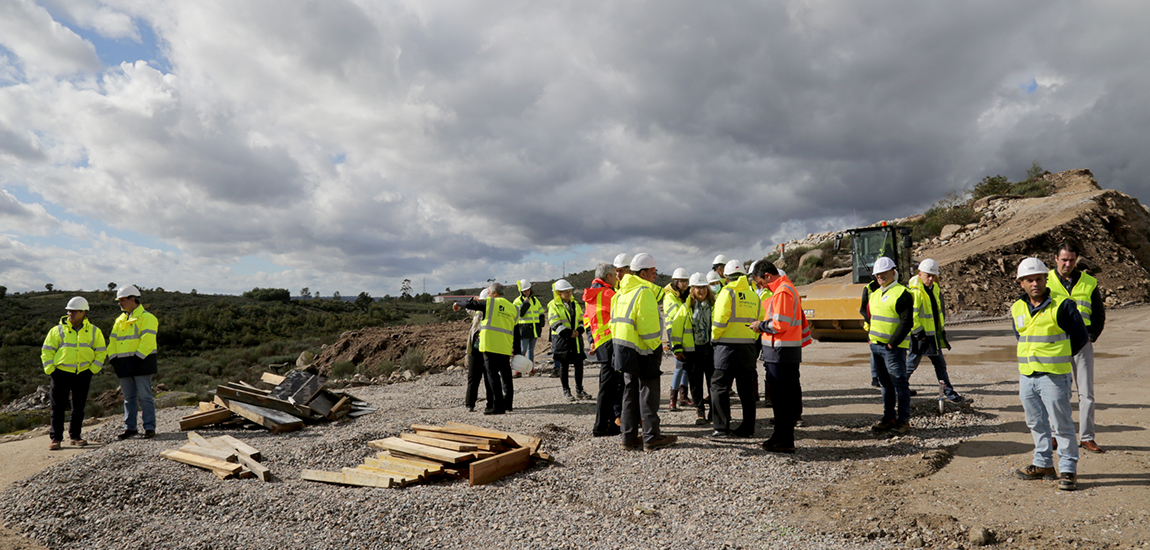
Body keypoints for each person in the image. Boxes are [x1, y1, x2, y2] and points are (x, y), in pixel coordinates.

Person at [1011, 257, 1088, 491]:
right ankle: (1043, 464)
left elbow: (1080, 337)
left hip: (1054, 375)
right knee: (1035, 422)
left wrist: (1059, 356)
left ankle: (1068, 470)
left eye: (1038, 278)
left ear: (1046, 279)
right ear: (1021, 283)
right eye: (1028, 280)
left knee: (1061, 424)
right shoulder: (1017, 307)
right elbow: (1021, 337)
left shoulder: (1063, 305)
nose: (1034, 283)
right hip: (1027, 375)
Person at [611, 253, 677, 451]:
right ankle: (651, 437)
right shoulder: (643, 292)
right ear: (643, 273)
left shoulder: (621, 292)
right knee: (648, 393)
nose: (656, 276)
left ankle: (628, 437)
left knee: (629, 393)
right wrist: (656, 347)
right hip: (643, 350)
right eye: (653, 272)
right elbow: (648, 328)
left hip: (623, 349)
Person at [1047, 242, 1106, 453]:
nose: (1067, 264)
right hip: (1057, 344)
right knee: (1057, 392)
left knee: (1086, 393)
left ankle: (1087, 437)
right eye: (1063, 259)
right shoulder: (1045, 281)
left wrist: (1092, 335)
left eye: (1071, 260)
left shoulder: (1089, 282)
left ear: (1077, 260)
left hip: (1082, 345)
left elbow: (1098, 313)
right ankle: (1055, 435)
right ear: (1056, 259)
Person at [750, 262, 811, 453]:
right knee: (781, 399)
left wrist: (760, 325)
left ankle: (785, 440)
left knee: (782, 400)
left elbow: (780, 325)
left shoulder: (783, 291)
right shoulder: (784, 289)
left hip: (781, 354)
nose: (761, 286)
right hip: (782, 353)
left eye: (760, 282)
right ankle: (779, 437)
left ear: (768, 276)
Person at [41, 297, 107, 450]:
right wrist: (51, 370)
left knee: (79, 407)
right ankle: (56, 438)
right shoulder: (57, 330)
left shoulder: (94, 331)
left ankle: (75, 436)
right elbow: (46, 351)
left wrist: (93, 369)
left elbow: (101, 351)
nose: (70, 313)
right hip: (60, 373)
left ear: (84, 312)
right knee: (57, 407)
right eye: (69, 311)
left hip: (83, 373)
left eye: (74, 311)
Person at [709, 259, 762, 438]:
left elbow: (719, 320)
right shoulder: (754, 295)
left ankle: (721, 428)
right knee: (746, 390)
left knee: (719, 386)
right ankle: (748, 429)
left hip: (726, 347)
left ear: (726, 276)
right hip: (748, 347)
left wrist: (715, 339)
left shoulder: (727, 292)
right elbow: (759, 321)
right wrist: (752, 339)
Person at [862, 257, 914, 435]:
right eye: (878, 274)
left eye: (884, 273)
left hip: (892, 348)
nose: (880, 277)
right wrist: (870, 338)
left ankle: (903, 420)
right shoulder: (875, 293)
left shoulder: (902, 293)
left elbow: (907, 322)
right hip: (876, 347)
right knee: (885, 384)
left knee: (899, 383)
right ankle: (889, 417)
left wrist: (893, 343)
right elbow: (870, 317)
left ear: (893, 272)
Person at [454, 283, 518, 414]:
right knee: (506, 377)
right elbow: (514, 325)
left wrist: (457, 303)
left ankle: (498, 406)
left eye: (489, 293)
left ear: (494, 294)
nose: (488, 296)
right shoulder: (513, 308)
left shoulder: (491, 303)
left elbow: (469, 305)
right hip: (505, 346)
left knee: (493, 377)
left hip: (490, 345)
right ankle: (507, 405)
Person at [907, 259, 965, 403]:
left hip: (932, 336)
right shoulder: (915, 292)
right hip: (920, 337)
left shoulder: (935, 288)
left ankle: (949, 393)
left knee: (939, 365)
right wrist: (919, 333)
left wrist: (941, 330)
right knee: (911, 365)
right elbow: (911, 316)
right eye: (928, 276)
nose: (931, 279)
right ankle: (898, 388)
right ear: (920, 274)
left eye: (934, 276)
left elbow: (937, 313)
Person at [108, 285, 160, 440]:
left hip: (141, 363)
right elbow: (112, 341)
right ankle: (130, 428)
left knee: (145, 396)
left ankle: (149, 427)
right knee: (128, 398)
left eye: (122, 300)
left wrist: (137, 359)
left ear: (132, 299)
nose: (119, 303)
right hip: (124, 364)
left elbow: (148, 341)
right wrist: (113, 359)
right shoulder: (120, 320)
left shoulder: (147, 318)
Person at [669, 272, 715, 425]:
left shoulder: (714, 307)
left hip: (710, 350)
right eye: (698, 287)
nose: (701, 290)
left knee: (713, 383)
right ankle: (699, 411)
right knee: (695, 384)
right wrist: (677, 349)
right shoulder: (685, 308)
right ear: (692, 290)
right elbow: (676, 330)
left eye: (704, 287)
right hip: (692, 351)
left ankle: (714, 412)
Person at [586, 264, 622, 436]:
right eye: (615, 275)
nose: (617, 278)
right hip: (610, 342)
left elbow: (587, 319)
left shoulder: (592, 295)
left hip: (600, 342)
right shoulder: (608, 294)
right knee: (609, 388)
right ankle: (601, 427)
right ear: (608, 277)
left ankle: (608, 424)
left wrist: (592, 340)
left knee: (606, 385)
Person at [548, 279, 590, 401]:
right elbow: (554, 322)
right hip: (562, 340)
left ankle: (579, 390)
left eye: (569, 291)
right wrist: (568, 333)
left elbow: (582, 320)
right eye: (565, 292)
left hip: (576, 340)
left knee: (579, 365)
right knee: (563, 367)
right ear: (559, 293)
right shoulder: (553, 305)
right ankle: (566, 391)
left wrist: (579, 331)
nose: (568, 294)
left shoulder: (575, 304)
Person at [662, 268, 692, 411]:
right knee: (679, 367)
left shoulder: (684, 296)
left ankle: (683, 397)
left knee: (686, 367)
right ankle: (672, 400)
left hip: (686, 333)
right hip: (674, 333)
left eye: (686, 281)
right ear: (676, 281)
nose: (685, 283)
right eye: (682, 281)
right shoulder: (669, 297)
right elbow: (677, 315)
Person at [463, 289, 494, 412]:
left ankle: (491, 403)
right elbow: (468, 307)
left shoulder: (493, 313)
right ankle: (470, 404)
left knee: (489, 378)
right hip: (475, 350)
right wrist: (472, 299)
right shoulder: (477, 312)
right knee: (473, 378)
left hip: (488, 349)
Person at [512, 279, 545, 371]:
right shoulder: (517, 301)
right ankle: (518, 369)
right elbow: (519, 313)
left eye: (528, 290)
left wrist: (541, 321)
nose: (527, 292)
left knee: (531, 350)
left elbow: (540, 310)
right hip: (523, 329)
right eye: (525, 291)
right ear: (521, 291)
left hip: (534, 329)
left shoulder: (535, 300)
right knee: (522, 350)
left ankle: (530, 368)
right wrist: (525, 303)